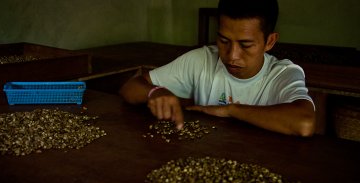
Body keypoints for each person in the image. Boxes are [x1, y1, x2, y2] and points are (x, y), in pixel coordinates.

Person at [119, 0, 316, 137]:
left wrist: (230, 110)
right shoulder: (201, 60)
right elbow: (130, 88)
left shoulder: (284, 73)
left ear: (270, 41)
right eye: (223, 40)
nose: (232, 56)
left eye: (245, 45)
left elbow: (304, 123)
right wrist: (154, 91)